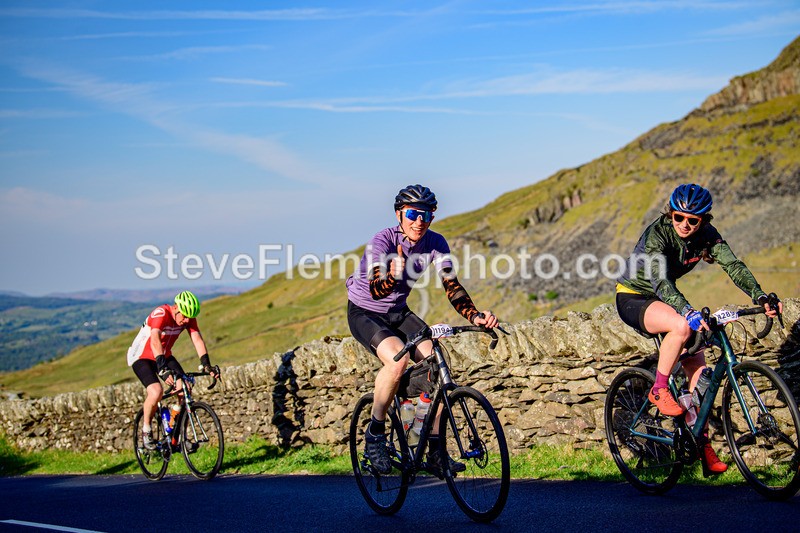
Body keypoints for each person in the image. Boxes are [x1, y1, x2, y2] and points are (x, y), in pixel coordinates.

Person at [616, 183, 782, 475]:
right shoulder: (658, 235)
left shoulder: (707, 235)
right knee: (681, 326)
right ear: (670, 214)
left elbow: (734, 266)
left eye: (692, 220)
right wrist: (687, 311)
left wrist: (760, 296)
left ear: (704, 220)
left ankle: (698, 439)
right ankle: (658, 389)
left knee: (699, 371)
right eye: (678, 217)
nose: (684, 224)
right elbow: (661, 283)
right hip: (635, 296)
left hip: (665, 299)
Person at [346, 184, 499, 477]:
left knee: (439, 365)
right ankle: (376, 433)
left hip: (398, 312)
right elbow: (377, 290)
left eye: (426, 215)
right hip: (365, 311)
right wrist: (393, 275)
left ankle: (434, 449)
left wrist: (475, 315)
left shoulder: (436, 242)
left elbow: (452, 286)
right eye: (413, 214)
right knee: (396, 359)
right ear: (399, 214)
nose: (419, 221)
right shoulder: (382, 241)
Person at [127, 290, 219, 450]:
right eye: (184, 316)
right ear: (176, 308)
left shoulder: (188, 318)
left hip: (164, 355)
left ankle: (174, 437)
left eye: (190, 318)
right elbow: (155, 340)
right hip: (141, 356)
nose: (186, 321)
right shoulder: (161, 313)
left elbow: (197, 338)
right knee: (156, 392)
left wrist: (206, 364)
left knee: (185, 389)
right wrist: (162, 368)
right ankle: (146, 431)